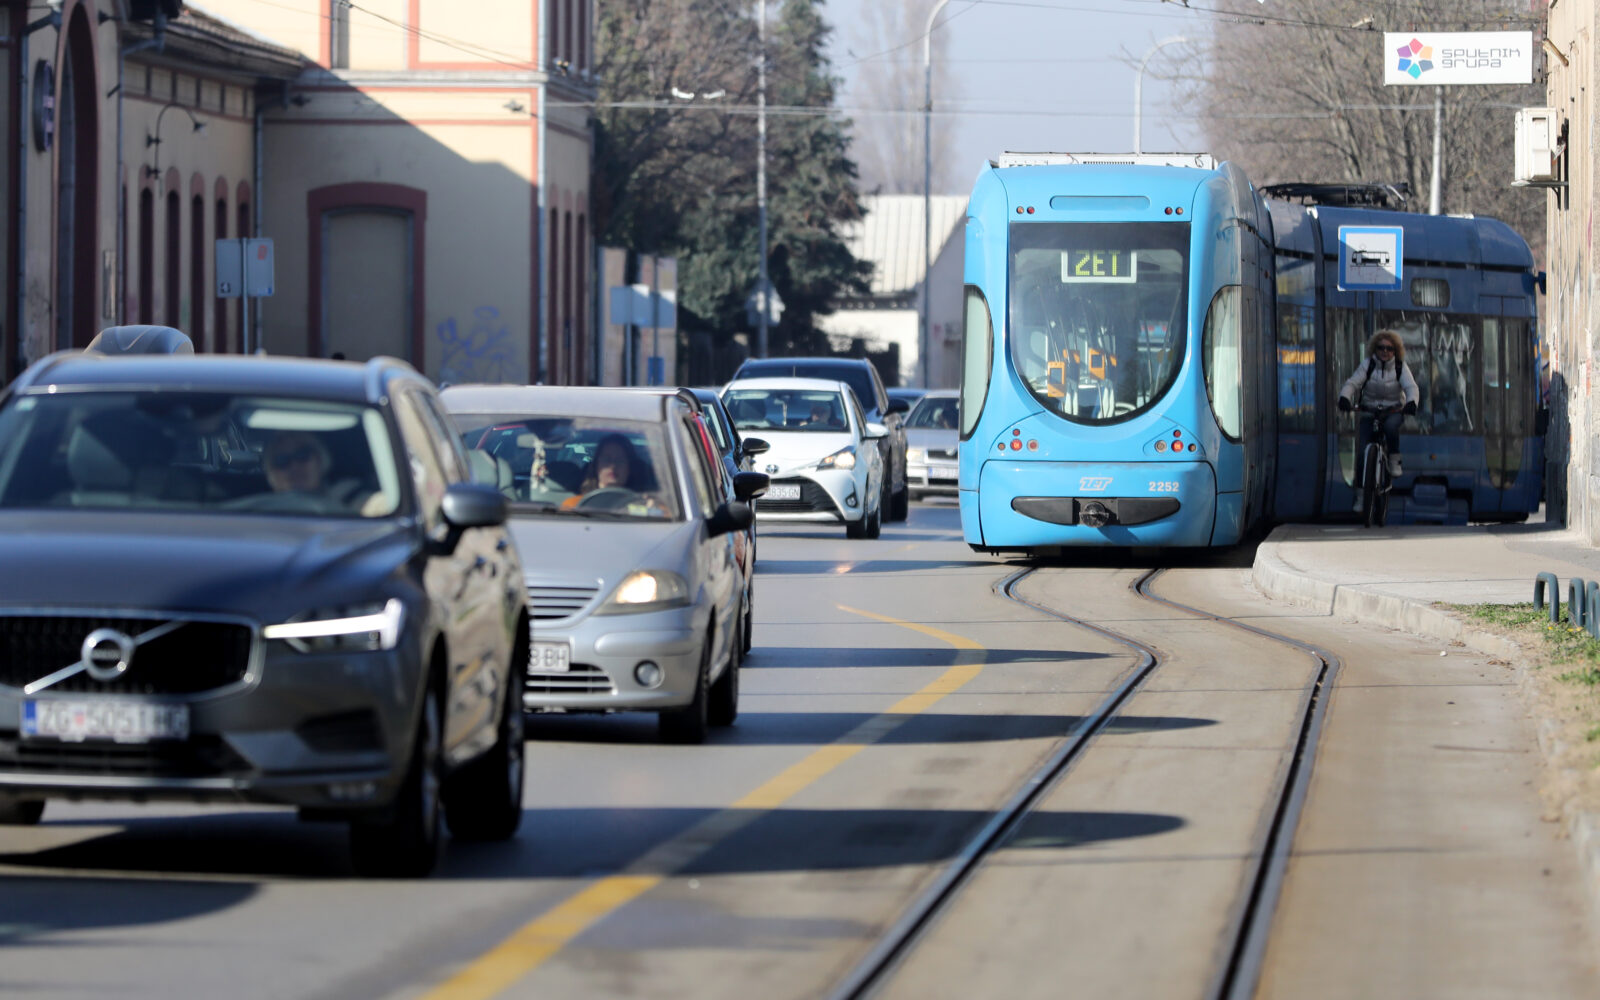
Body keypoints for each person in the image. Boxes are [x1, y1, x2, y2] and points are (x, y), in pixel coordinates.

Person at [1337, 329, 1419, 480]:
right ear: (1375, 349)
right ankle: (1361, 490)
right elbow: (1353, 383)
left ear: (1395, 351)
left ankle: (1394, 459)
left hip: (1393, 410)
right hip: (1369, 409)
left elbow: (1410, 387)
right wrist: (1344, 398)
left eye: (1389, 348)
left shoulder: (1400, 367)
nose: (1385, 351)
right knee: (1362, 450)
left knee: (1391, 427)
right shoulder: (1367, 365)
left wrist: (1411, 402)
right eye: (1381, 348)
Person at [264, 430, 332, 494]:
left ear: (319, 460)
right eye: (282, 460)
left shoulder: (337, 500)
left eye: (302, 454)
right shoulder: (261, 502)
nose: (294, 466)